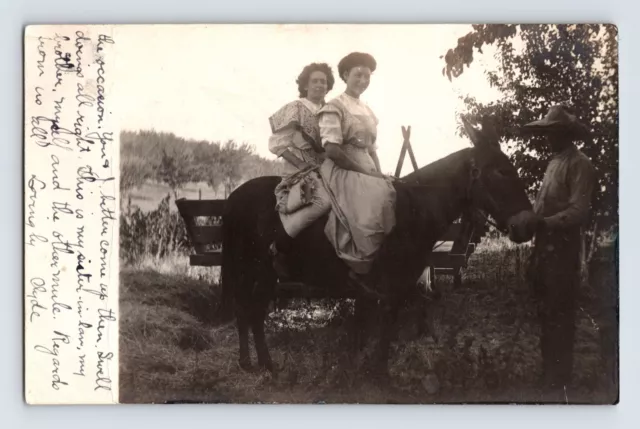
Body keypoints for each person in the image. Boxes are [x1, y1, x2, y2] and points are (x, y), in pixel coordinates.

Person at [522, 105, 597, 401]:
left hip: (563, 249)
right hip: (544, 247)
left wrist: (545, 223)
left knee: (560, 312)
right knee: (545, 310)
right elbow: (543, 206)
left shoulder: (580, 165)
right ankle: (548, 373)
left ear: (567, 134)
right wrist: (532, 221)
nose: (550, 138)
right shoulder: (554, 163)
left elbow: (578, 211)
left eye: (556, 133)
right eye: (548, 133)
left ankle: (559, 379)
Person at [316, 52, 396, 290]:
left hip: (367, 169)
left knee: (390, 192)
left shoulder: (367, 109)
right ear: (345, 75)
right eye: (358, 75)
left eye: (367, 76)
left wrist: (379, 174)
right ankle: (361, 269)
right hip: (342, 168)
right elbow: (332, 150)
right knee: (373, 203)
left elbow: (371, 149)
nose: (363, 80)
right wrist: (366, 174)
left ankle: (386, 268)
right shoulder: (334, 107)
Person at [268, 62, 335, 279]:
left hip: (326, 169)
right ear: (305, 85)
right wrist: (302, 165)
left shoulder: (331, 110)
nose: (319, 85)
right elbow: (277, 144)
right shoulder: (295, 108)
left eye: (323, 82)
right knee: (322, 202)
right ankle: (281, 247)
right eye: (314, 81)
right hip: (299, 171)